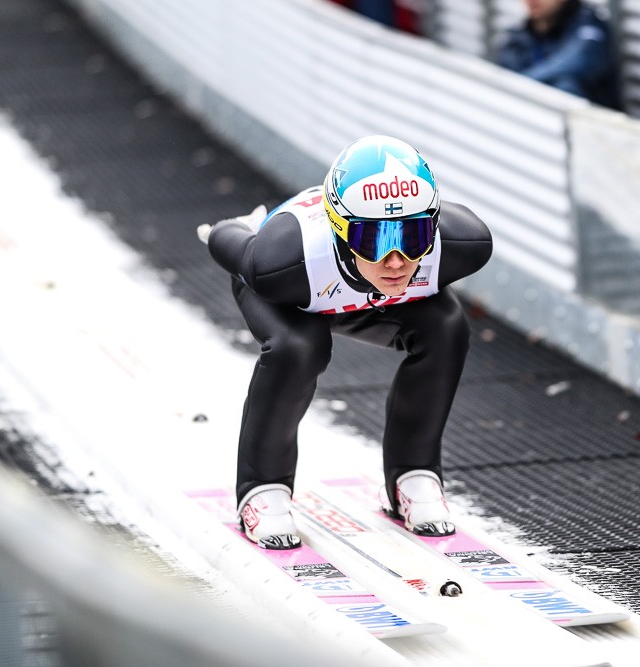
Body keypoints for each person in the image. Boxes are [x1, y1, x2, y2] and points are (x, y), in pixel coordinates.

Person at [197, 136, 493, 549]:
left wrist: (387, 250)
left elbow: (414, 267)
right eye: (375, 241)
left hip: (372, 298)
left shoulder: (464, 245)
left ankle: (412, 474)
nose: (396, 261)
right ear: (340, 232)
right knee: (299, 346)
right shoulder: (280, 262)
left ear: (434, 226)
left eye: (413, 237)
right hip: (297, 296)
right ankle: (262, 489)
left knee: (446, 325)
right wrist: (231, 229)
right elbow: (228, 240)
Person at [496, 0, 621, 110]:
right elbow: (506, 77)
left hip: (592, 124)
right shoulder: (518, 36)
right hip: (530, 121)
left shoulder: (588, 25)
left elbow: (578, 63)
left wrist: (522, 84)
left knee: (565, 86)